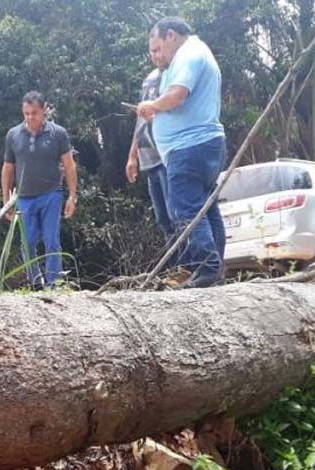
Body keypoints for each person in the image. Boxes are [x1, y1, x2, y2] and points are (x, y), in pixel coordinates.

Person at [137, 17, 227, 288]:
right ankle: (214, 268)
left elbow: (178, 94)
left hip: (188, 148)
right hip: (202, 143)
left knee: (186, 209)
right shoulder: (198, 52)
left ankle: (207, 267)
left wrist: (152, 106)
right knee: (205, 209)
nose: (157, 54)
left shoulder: (188, 54)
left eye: (158, 47)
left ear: (171, 36)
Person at [2, 91, 78, 288]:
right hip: (24, 198)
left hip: (51, 194)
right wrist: (5, 201)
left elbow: (69, 165)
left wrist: (72, 196)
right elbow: (8, 168)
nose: (30, 117)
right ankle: (35, 283)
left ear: (44, 111)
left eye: (34, 113)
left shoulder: (58, 133)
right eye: (26, 113)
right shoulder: (13, 135)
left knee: (51, 241)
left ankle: (54, 284)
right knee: (27, 244)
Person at [126, 43, 174, 252]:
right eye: (152, 51)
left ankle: (189, 265)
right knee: (162, 218)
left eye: (159, 50)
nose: (156, 55)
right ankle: (176, 269)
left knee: (176, 215)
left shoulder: (175, 76)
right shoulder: (149, 78)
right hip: (148, 158)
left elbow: (176, 116)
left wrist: (154, 118)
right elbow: (140, 121)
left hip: (166, 154)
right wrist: (132, 157)